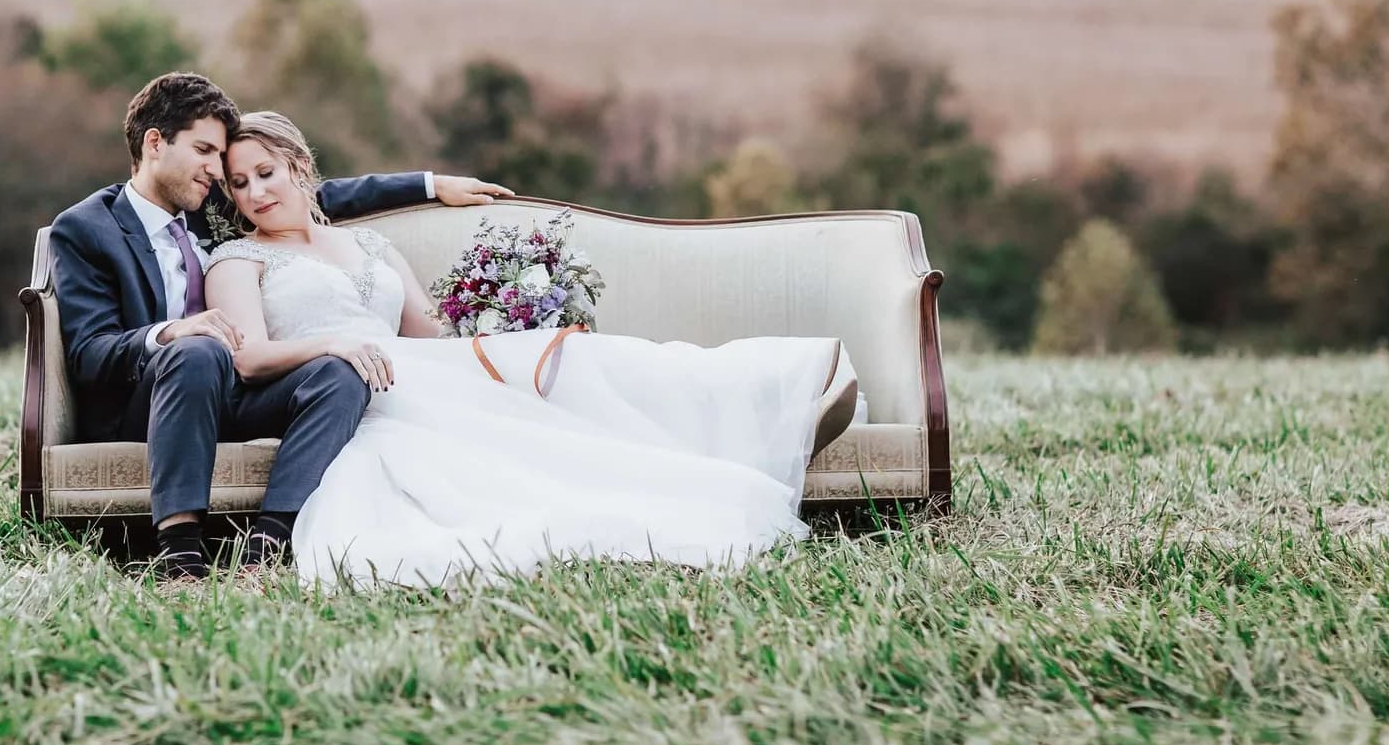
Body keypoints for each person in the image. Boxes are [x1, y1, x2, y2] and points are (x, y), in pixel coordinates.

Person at [205, 111, 860, 588]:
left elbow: (433, 335)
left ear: (299, 167)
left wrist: (504, 319)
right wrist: (334, 342)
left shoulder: (370, 245)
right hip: (346, 394)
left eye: (266, 173)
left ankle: (783, 384)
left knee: (579, 358)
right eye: (239, 184)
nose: (256, 192)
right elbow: (250, 359)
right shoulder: (238, 257)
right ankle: (755, 425)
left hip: (422, 372)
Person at [47, 72, 511, 580]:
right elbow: (91, 354)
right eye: (204, 151)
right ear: (155, 143)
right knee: (198, 349)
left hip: (236, 393)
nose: (215, 171)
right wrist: (167, 333)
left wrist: (432, 185)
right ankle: (180, 554)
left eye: (220, 162)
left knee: (339, 371)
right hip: (151, 399)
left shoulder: (210, 204)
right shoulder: (87, 228)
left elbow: (313, 194)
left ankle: (269, 543)